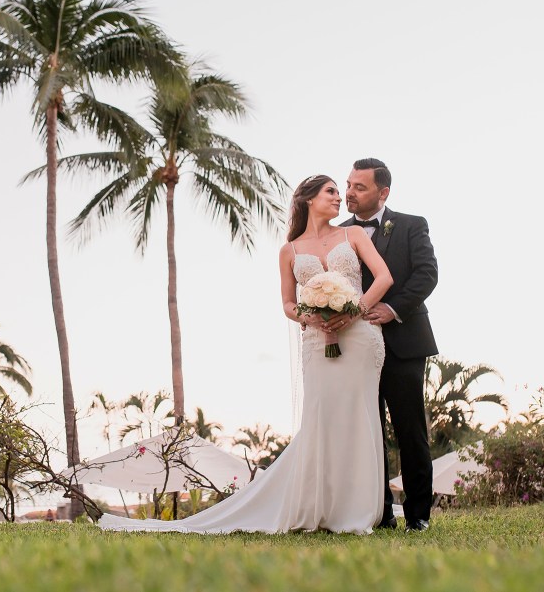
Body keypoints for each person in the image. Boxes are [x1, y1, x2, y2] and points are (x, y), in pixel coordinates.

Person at [97, 175, 393, 534]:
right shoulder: (290, 251)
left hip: (360, 338)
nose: (339, 197)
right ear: (308, 199)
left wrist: (355, 309)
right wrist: (309, 315)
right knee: (322, 417)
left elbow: (383, 278)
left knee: (358, 414)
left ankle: (357, 510)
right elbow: (286, 302)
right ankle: (321, 507)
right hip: (318, 341)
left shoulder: (354, 235)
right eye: (331, 191)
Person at [341, 158, 438, 532]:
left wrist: (393, 308)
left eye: (359, 187)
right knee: (368, 431)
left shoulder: (412, 225)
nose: (349, 192)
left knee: (410, 431)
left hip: (404, 342)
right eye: (348, 184)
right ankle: (379, 513)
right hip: (356, 347)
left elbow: (427, 274)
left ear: (383, 193)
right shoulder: (340, 233)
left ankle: (418, 515)